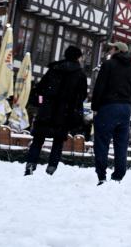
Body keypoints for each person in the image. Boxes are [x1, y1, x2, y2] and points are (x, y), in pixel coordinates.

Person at [24, 45, 89, 176]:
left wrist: (42, 104)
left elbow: (40, 90)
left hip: (47, 110)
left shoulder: (54, 69)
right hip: (64, 113)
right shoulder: (80, 74)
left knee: (38, 139)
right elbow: (82, 96)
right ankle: (52, 167)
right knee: (58, 142)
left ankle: (31, 164)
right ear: (77, 57)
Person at [91, 41, 131, 186]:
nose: (110, 50)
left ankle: (101, 176)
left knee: (102, 142)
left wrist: (95, 106)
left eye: (112, 48)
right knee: (121, 143)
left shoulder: (108, 65)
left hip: (108, 106)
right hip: (125, 108)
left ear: (117, 50)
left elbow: (100, 86)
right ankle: (118, 174)